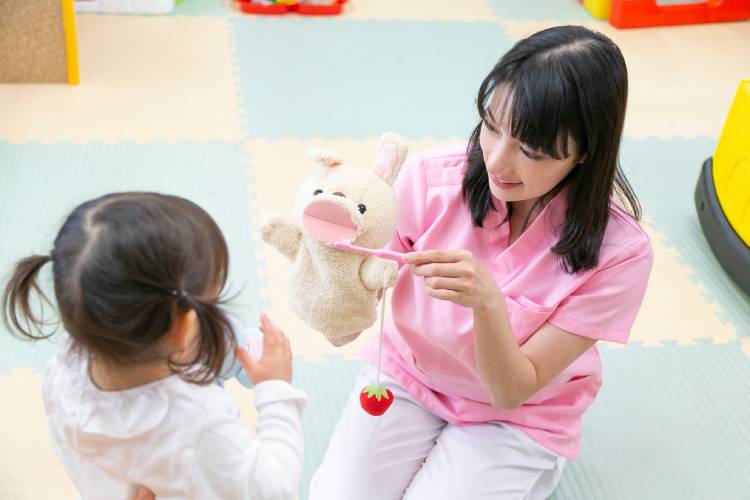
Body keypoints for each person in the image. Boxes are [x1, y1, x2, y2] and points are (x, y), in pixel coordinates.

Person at [310, 25, 653, 500]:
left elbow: (515, 389)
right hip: (410, 373)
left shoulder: (619, 254)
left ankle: (536, 467)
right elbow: (349, 310)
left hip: (517, 411)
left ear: (584, 152)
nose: (496, 161)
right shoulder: (432, 179)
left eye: (530, 150)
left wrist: (488, 303)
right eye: (492, 126)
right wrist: (325, 269)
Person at [2, 192, 307, 499]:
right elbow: (274, 491)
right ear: (183, 329)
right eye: (211, 307)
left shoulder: (66, 364)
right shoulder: (197, 422)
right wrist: (275, 390)